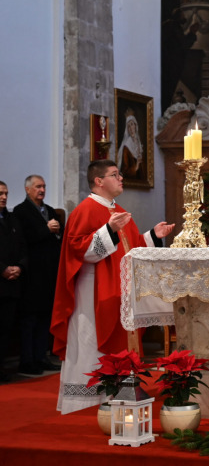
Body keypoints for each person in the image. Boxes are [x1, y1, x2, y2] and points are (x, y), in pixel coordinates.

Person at [50, 160, 174, 413]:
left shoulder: (119, 210)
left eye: (119, 175)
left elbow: (132, 247)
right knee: (89, 339)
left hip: (117, 289)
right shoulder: (85, 210)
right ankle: (84, 401)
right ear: (98, 181)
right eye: (114, 175)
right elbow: (79, 250)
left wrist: (152, 236)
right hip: (91, 291)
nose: (121, 179)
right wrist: (109, 229)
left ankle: (115, 392)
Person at [13, 175, 63, 376]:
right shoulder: (20, 211)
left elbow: (59, 233)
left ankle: (41, 357)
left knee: (45, 317)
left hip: (49, 272)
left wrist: (57, 231)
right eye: (37, 187)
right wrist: (46, 229)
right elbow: (23, 239)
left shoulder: (50, 210)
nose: (41, 190)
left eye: (43, 186)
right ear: (27, 189)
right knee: (30, 319)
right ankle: (27, 360)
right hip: (32, 273)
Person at [0, 180, 28, 382]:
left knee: (6, 328)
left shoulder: (12, 219)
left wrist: (20, 266)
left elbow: (23, 247)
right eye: (0, 193)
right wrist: (2, 269)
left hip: (12, 283)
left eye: (6, 194)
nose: (3, 197)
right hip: (0, 279)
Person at [118, 108, 144, 181]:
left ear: (135, 126)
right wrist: (136, 166)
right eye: (128, 126)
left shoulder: (139, 143)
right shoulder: (126, 146)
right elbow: (124, 171)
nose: (130, 128)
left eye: (132, 124)